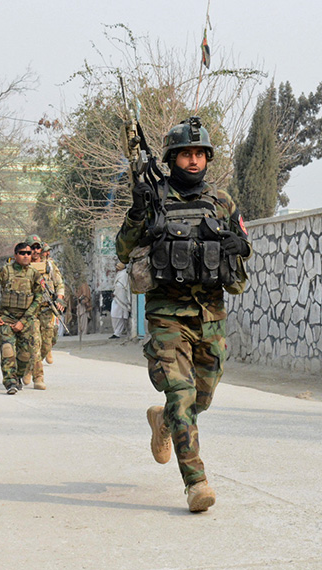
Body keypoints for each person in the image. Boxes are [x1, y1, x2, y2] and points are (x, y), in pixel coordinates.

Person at [115, 117, 251, 512]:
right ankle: (196, 483)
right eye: (184, 154)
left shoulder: (221, 201)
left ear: (206, 158)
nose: (192, 161)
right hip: (166, 316)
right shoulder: (153, 197)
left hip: (210, 315)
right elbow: (125, 251)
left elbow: (243, 255)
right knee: (181, 395)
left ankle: (163, 421)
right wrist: (137, 213)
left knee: (199, 400)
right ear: (172, 158)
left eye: (198, 154)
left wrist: (235, 246)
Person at [0, 242, 43, 395]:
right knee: (7, 350)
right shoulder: (4, 272)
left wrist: (23, 322)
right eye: (22, 253)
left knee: (25, 355)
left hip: (25, 320)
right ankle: (10, 382)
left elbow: (38, 299)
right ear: (16, 255)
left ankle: (18, 377)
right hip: (6, 318)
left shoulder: (34, 275)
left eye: (29, 253)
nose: (26, 256)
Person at [27, 238, 65, 390]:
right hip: (30, 311)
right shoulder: (21, 266)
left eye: (38, 248)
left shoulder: (49, 265)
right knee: (35, 343)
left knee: (47, 343)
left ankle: (30, 369)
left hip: (47, 309)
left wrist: (59, 299)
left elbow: (59, 284)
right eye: (32, 248)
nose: (35, 251)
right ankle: (38, 377)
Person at [110, 261, 130, 339]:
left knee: (120, 316)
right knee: (114, 315)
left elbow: (123, 286)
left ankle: (118, 333)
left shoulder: (124, 274)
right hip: (116, 297)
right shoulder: (119, 274)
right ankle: (116, 331)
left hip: (121, 297)